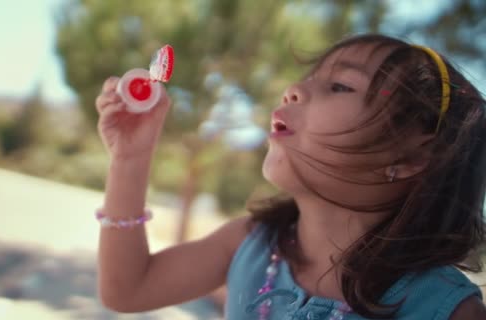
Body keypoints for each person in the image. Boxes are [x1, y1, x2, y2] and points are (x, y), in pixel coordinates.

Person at [93, 34, 486, 319]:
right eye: (308, 78)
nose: (293, 90)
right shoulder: (251, 242)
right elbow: (127, 289)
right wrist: (130, 159)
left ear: (415, 153)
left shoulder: (449, 310)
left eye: (339, 85)